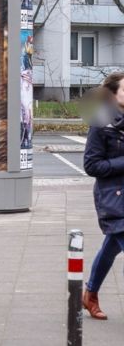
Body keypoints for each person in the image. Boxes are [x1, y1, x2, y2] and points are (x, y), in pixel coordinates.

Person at [83, 71, 124, 320]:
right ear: (112, 94)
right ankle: (90, 294)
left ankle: (90, 293)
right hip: (114, 196)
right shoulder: (101, 121)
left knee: (110, 247)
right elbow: (91, 165)